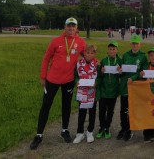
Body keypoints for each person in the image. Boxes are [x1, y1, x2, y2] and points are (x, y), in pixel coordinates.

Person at [30, 17, 86, 150]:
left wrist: (97, 63)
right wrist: (43, 76)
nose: (71, 28)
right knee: (46, 106)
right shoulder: (56, 41)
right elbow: (46, 59)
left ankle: (64, 131)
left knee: (66, 106)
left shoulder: (80, 42)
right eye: (69, 26)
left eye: (73, 26)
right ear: (65, 27)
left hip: (68, 80)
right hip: (52, 80)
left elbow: (87, 56)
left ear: (76, 28)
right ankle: (39, 135)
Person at [117, 34, 148, 141]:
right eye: (133, 43)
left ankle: (130, 129)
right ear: (130, 44)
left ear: (140, 45)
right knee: (123, 110)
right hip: (125, 87)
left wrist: (134, 77)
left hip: (135, 88)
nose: (135, 45)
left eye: (137, 43)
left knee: (132, 110)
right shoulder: (125, 55)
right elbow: (121, 72)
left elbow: (143, 73)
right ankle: (123, 128)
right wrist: (119, 71)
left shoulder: (143, 57)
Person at [73, 44, 99, 144]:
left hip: (93, 93)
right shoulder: (79, 63)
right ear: (84, 53)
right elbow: (75, 75)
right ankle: (80, 133)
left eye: (92, 53)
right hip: (82, 92)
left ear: (95, 54)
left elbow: (100, 77)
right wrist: (76, 82)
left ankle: (90, 132)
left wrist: (96, 83)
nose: (89, 55)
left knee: (92, 113)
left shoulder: (97, 64)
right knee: (82, 113)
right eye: (87, 52)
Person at [96, 41, 121, 140]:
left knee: (110, 110)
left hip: (114, 90)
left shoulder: (119, 60)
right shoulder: (103, 60)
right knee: (102, 110)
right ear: (107, 50)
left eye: (114, 49)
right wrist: (101, 71)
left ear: (117, 50)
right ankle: (101, 127)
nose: (112, 51)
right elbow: (99, 74)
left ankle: (107, 127)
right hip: (103, 90)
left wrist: (120, 72)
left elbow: (122, 75)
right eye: (110, 49)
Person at [140, 47, 154, 143]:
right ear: (149, 57)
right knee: (148, 113)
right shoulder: (146, 66)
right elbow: (140, 77)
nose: (153, 57)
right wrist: (140, 75)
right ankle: (146, 134)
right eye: (151, 55)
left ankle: (152, 133)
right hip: (148, 93)